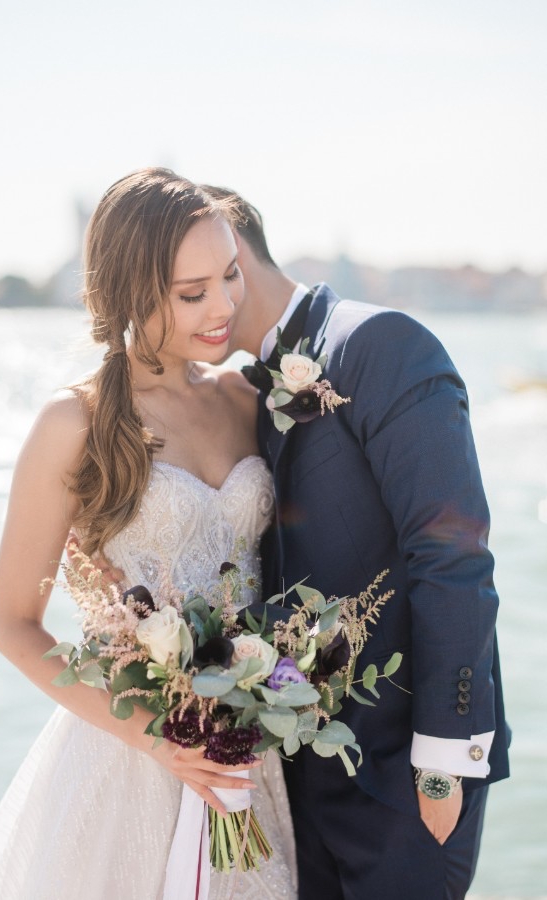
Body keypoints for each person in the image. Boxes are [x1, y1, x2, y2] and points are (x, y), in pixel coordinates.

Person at [0, 168, 297, 899]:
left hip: (246, 753)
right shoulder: (71, 423)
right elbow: (14, 624)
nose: (223, 307)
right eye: (192, 292)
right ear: (132, 293)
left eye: (230, 277)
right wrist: (163, 741)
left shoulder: (248, 399)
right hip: (130, 757)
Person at [209, 185, 510, 899]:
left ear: (234, 259)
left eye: (193, 285)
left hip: (405, 778)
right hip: (302, 774)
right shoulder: (245, 389)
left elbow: (453, 556)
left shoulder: (379, 342)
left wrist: (443, 762)